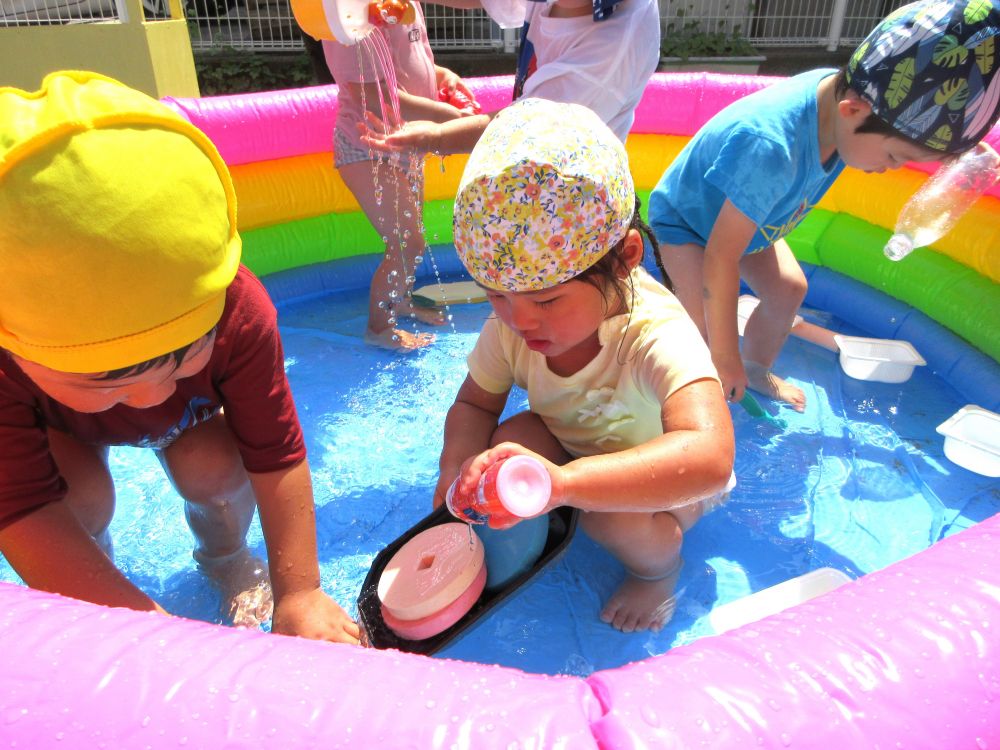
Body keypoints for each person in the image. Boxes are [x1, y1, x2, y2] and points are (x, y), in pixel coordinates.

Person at [0, 71, 360, 645]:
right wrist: (149, 635)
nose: (154, 396)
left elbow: (276, 452)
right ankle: (101, 584)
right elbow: (21, 507)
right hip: (58, 429)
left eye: (183, 352)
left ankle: (225, 556)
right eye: (109, 375)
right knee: (78, 499)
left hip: (192, 431)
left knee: (215, 470)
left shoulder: (237, 311)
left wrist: (301, 592)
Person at [436, 98, 735, 633]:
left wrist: (567, 485)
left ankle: (658, 568)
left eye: (546, 301)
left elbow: (710, 456)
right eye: (496, 297)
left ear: (625, 259)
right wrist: (455, 468)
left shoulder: (655, 334)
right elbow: (474, 402)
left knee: (609, 519)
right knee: (509, 440)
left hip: (663, 482)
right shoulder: (513, 321)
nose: (519, 320)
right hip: (576, 453)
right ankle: (559, 504)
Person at [649, 0, 1000, 412]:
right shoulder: (772, 148)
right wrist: (721, 355)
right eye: (894, 158)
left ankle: (756, 367)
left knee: (789, 289)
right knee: (702, 334)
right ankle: (672, 402)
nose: (890, 170)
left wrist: (963, 150)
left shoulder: (839, 106)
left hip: (752, 221)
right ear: (853, 111)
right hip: (689, 225)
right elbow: (720, 258)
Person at [322, 2, 479, 351]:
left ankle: (401, 298)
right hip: (367, 146)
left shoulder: (404, 5)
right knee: (407, 241)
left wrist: (443, 77)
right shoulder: (351, 18)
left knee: (412, 233)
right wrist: (449, 118)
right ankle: (379, 327)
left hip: (406, 142)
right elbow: (373, 97)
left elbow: (414, 63)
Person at [359, 0, 660, 153]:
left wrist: (435, 137)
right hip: (536, 159)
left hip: (576, 191)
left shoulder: (608, 51)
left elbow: (524, 126)